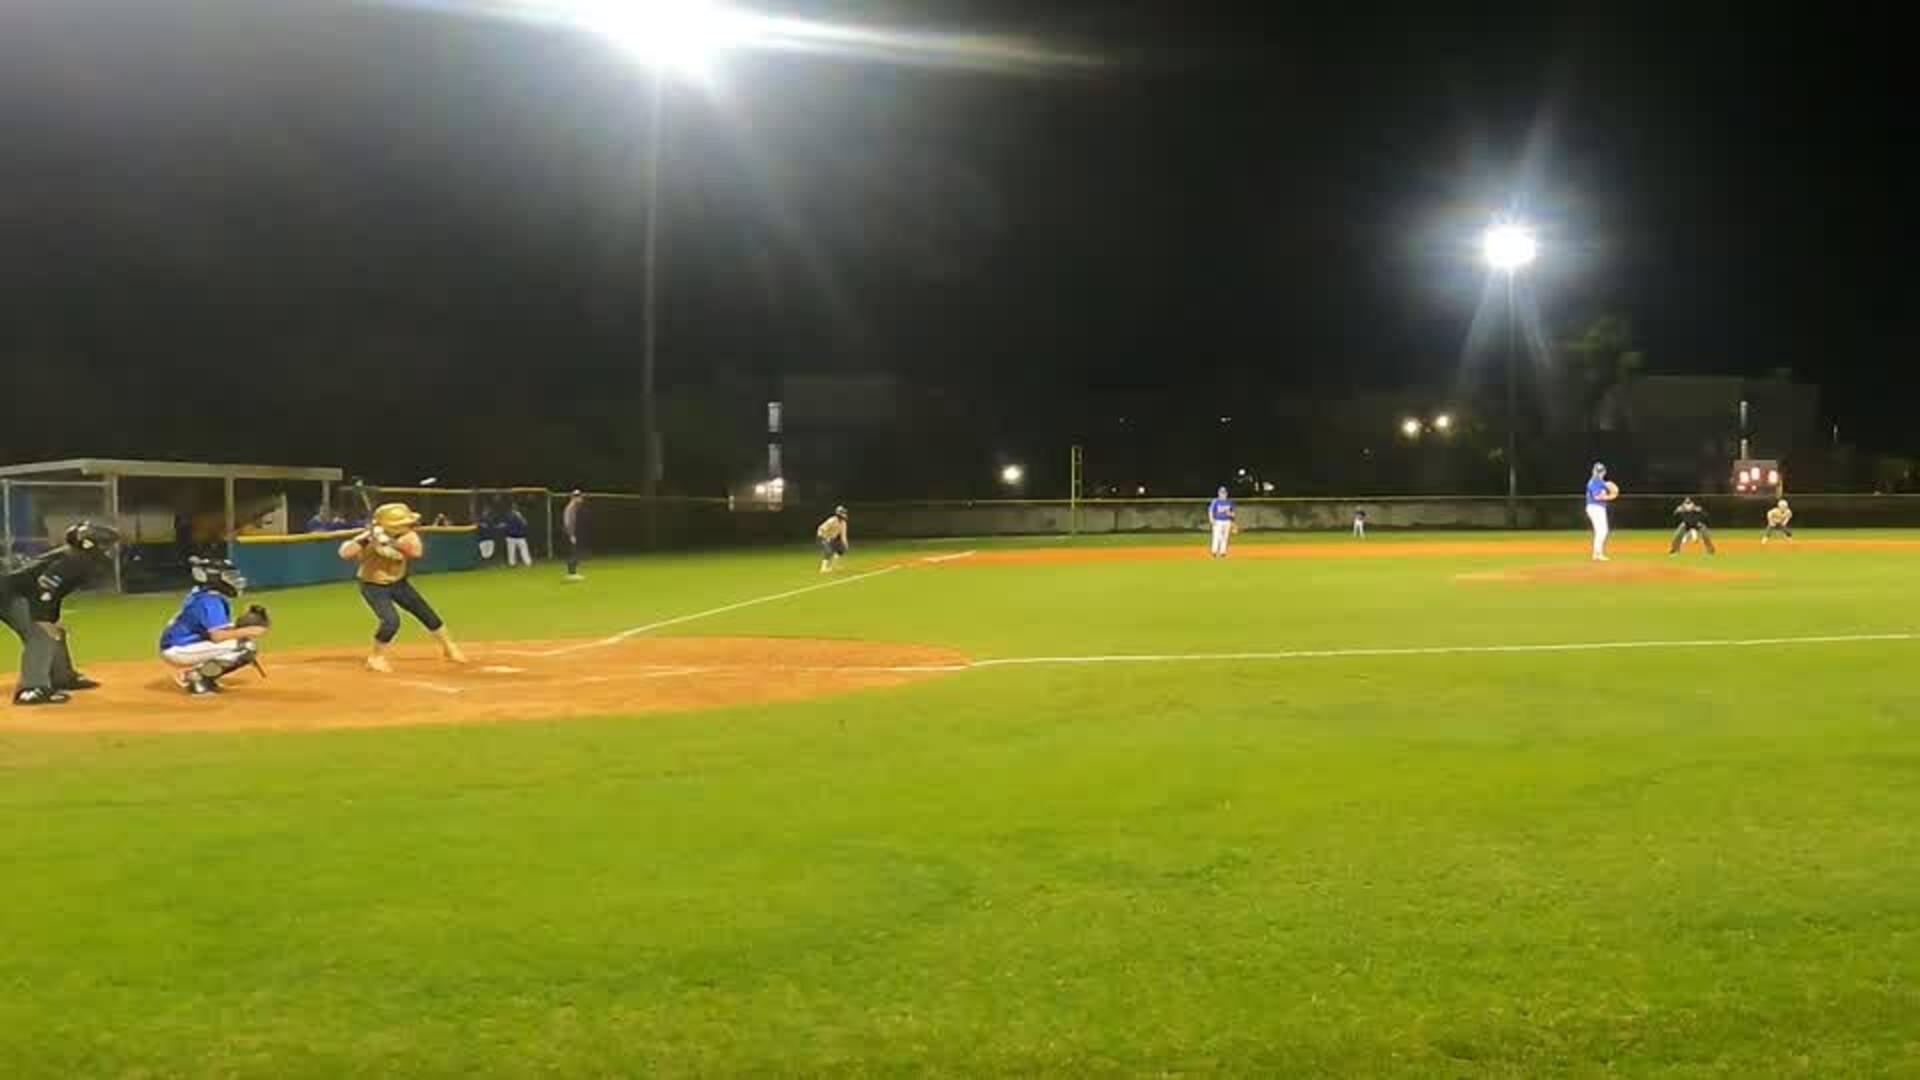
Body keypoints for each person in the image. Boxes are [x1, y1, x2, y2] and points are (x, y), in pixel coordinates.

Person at [338, 502, 469, 672]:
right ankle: (376, 657)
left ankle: (449, 648)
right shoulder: (368, 538)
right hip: (373, 585)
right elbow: (344, 553)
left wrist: (390, 542)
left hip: (399, 582)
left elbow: (416, 552)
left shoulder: (408, 536)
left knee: (426, 614)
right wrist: (367, 539)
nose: (409, 526)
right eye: (403, 523)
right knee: (391, 621)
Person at [3, 522, 118, 706]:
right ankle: (31, 689)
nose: (109, 550)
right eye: (105, 545)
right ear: (90, 544)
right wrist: (42, 619)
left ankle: (63, 677)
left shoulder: (78, 557)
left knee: (55, 631)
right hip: (10, 597)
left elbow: (54, 593)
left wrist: (51, 619)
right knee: (41, 635)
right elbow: (45, 586)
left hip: (20, 594)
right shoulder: (74, 560)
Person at [158, 556, 270, 695]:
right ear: (215, 579)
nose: (235, 580)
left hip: (180, 644)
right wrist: (249, 630)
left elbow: (210, 628)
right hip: (179, 648)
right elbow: (217, 636)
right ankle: (197, 678)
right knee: (245, 648)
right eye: (229, 576)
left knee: (241, 642)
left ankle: (203, 676)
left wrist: (238, 627)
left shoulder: (202, 593)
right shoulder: (211, 601)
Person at [1585, 462, 1618, 562]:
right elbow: (1597, 497)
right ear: (1594, 471)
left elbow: (1610, 489)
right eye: (1597, 471)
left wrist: (1610, 491)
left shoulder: (1600, 482)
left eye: (1600, 471)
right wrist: (1610, 496)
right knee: (1602, 531)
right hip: (1595, 507)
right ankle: (1597, 554)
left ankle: (1597, 553)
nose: (1599, 473)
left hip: (1596, 508)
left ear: (1604, 472)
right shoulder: (1595, 481)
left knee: (1601, 531)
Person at [817, 505, 850, 573]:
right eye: (843, 513)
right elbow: (821, 529)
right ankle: (823, 569)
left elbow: (843, 535)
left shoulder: (843, 523)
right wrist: (825, 538)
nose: (845, 514)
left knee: (842, 548)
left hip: (831, 538)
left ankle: (833, 565)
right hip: (822, 536)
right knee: (828, 551)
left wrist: (845, 544)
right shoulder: (832, 520)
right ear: (839, 514)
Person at [562, 490, 586, 582]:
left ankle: (572, 572)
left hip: (569, 532)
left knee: (573, 552)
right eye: (580, 497)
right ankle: (572, 574)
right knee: (572, 552)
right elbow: (568, 522)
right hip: (569, 532)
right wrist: (571, 535)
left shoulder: (573, 507)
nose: (581, 499)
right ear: (575, 497)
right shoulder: (571, 508)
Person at [1207, 485, 1235, 558]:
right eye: (1221, 492)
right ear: (1219, 493)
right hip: (1218, 521)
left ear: (1226, 493)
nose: (1223, 494)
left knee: (1225, 537)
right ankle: (1214, 552)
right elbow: (1210, 510)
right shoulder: (1215, 501)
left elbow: (1233, 513)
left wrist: (1231, 515)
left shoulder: (1229, 502)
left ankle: (1223, 552)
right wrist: (1211, 519)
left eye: (1224, 492)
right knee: (1216, 537)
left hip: (1227, 521)